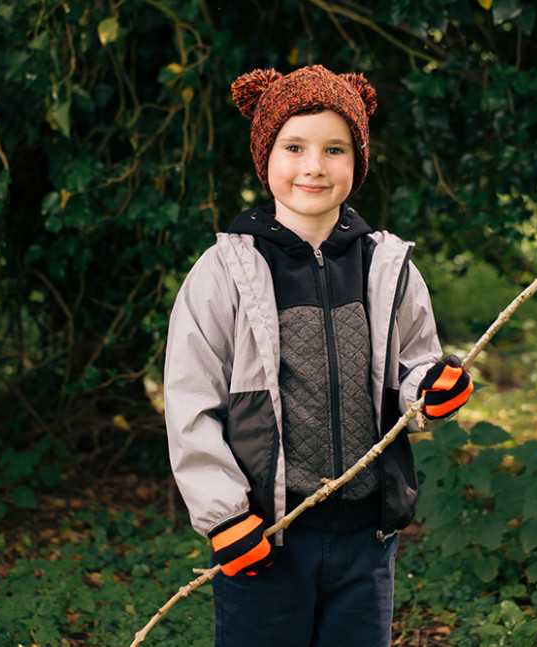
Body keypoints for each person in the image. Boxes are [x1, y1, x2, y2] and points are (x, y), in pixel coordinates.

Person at [163, 64, 473, 647]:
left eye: (335, 149)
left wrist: (431, 389)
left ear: (357, 162)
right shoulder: (224, 273)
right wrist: (224, 515)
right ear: (265, 156)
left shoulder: (387, 268)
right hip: (268, 535)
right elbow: (190, 405)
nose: (313, 166)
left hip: (365, 539)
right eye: (294, 147)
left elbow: (414, 367)